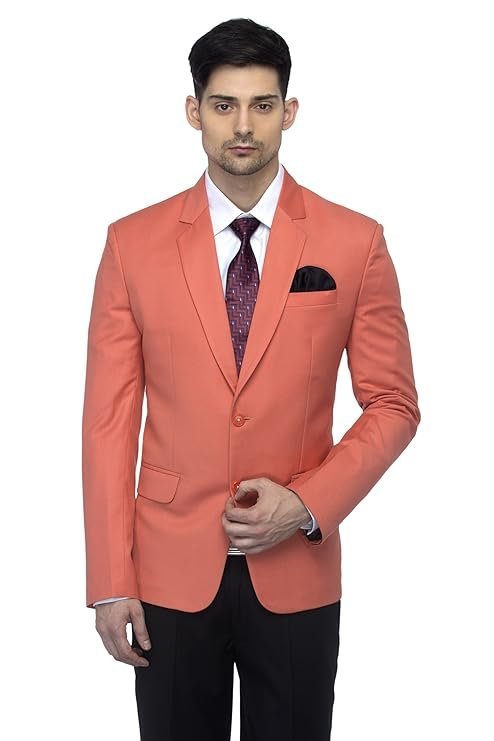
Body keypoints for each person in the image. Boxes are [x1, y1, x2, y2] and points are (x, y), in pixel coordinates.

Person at [81, 17, 421, 741]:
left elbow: (393, 403)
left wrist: (307, 502)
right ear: (194, 111)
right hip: (167, 572)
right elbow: (108, 422)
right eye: (224, 105)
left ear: (288, 112)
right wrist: (110, 578)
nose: (243, 126)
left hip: (297, 569)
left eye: (262, 105)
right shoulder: (131, 244)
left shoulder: (354, 241)